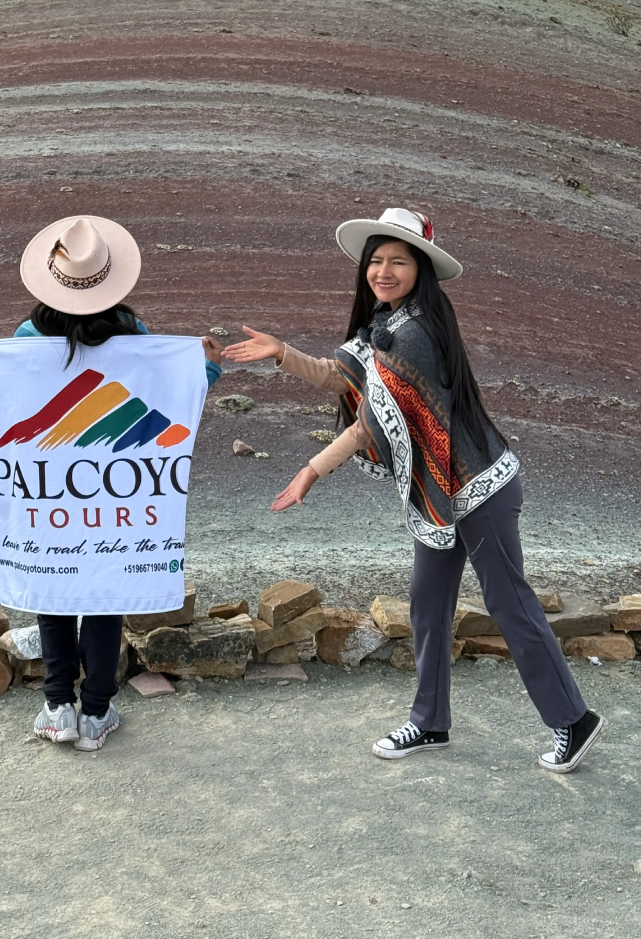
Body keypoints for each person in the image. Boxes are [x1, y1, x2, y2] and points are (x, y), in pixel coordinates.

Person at [223, 207, 604, 774]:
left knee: (509, 602)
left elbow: (370, 425)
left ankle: (573, 719)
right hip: (442, 491)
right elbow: (342, 377)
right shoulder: (387, 323)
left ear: (420, 269)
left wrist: (311, 470)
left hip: (479, 488)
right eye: (376, 260)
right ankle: (430, 721)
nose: (384, 271)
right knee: (427, 605)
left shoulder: (414, 332)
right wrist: (282, 354)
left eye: (398, 261)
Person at [12, 215, 222, 751]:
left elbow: (4, 405)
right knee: (106, 590)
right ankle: (96, 712)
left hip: (52, 489)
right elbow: (167, 399)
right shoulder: (132, 334)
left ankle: (58, 706)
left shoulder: (26, 338)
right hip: (113, 491)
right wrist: (208, 369)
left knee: (54, 584)